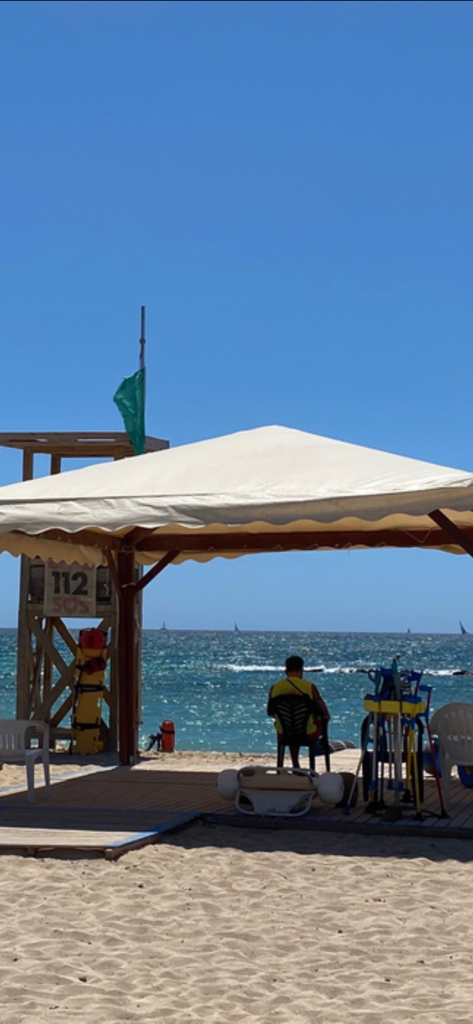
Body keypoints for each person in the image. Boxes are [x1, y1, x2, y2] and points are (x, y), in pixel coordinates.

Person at [267, 655, 330, 769]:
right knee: (318, 723)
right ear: (301, 670)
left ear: (286, 671)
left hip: (284, 733)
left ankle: (295, 764)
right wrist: (326, 717)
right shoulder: (309, 687)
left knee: (291, 727)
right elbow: (323, 710)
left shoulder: (274, 688)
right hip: (307, 733)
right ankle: (320, 754)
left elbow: (269, 712)